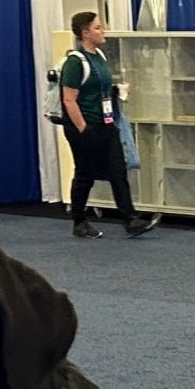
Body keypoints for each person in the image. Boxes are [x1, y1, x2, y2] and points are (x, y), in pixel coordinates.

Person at [58, 12, 156, 240]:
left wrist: (116, 90)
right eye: (98, 27)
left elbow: (99, 88)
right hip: (84, 126)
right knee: (85, 174)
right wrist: (84, 129)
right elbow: (69, 99)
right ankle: (79, 221)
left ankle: (131, 220)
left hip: (106, 123)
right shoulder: (75, 62)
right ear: (85, 33)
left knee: (118, 171)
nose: (103, 31)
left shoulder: (99, 56)